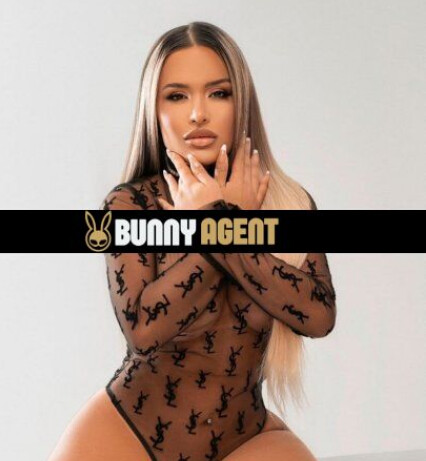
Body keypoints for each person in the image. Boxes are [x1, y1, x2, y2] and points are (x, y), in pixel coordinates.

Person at [48, 21, 337, 461]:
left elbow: (318, 316)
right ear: (154, 109)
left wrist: (220, 219)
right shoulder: (130, 205)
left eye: (218, 93)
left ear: (242, 102)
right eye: (177, 96)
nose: (198, 114)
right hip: (127, 434)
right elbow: (143, 330)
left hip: (246, 439)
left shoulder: (288, 203)